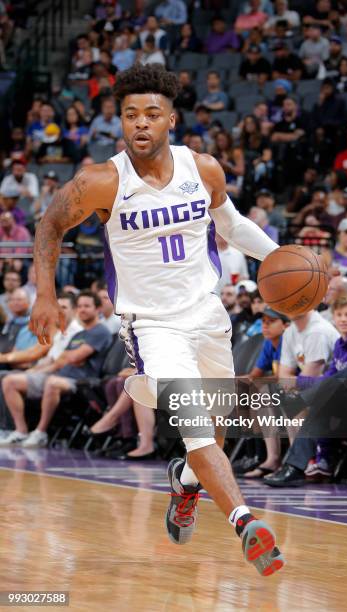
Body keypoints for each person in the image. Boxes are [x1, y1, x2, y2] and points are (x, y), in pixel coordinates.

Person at [29, 63, 285, 576]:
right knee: (196, 429)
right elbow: (50, 225)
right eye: (129, 115)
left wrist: (282, 257)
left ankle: (186, 484)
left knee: (218, 424)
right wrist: (44, 295)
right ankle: (245, 522)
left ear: (171, 119)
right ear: (120, 122)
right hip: (152, 325)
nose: (140, 124)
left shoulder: (204, 168)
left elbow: (230, 224)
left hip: (208, 313)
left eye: (151, 114)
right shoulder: (102, 181)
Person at [265, 294, 347, 486]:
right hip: (340, 397)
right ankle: (300, 462)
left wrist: (301, 385)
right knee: (293, 397)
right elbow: (330, 377)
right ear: (333, 317)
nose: (343, 319)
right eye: (339, 315)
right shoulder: (339, 344)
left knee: (305, 399)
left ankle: (307, 461)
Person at [7, 291, 111, 447]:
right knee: (10, 381)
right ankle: (21, 431)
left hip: (82, 380)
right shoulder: (80, 334)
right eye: (80, 306)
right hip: (60, 374)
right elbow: (63, 358)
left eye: (87, 306)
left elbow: (74, 358)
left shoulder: (100, 331)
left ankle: (40, 432)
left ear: (97, 309)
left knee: (52, 383)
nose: (82, 309)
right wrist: (68, 358)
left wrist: (70, 357)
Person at [0, 292, 82, 437]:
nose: (60, 311)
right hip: (44, 371)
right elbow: (48, 360)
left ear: (74, 310)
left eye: (64, 307)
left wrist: (30, 370)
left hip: (62, 376)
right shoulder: (61, 331)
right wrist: (34, 369)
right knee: (5, 376)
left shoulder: (74, 331)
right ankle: (14, 428)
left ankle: (13, 429)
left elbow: (42, 356)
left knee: (8, 379)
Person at [242, 307, 290, 478]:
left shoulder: (287, 341)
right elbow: (255, 374)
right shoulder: (269, 343)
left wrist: (255, 383)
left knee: (260, 393)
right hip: (279, 391)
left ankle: (271, 458)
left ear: (285, 325)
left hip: (295, 390)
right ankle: (258, 456)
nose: (265, 326)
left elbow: (281, 377)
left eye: (271, 322)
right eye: (263, 322)